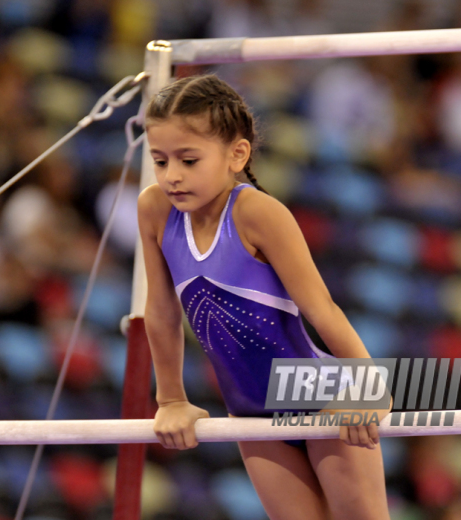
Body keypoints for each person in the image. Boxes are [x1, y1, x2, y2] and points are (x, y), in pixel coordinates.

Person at [137, 74, 391, 520]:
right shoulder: (155, 208)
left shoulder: (257, 213)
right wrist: (171, 398)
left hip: (319, 392)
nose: (171, 176)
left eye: (189, 160)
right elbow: (160, 311)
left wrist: (370, 387)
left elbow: (321, 308)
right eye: (160, 161)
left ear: (237, 154)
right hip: (250, 410)